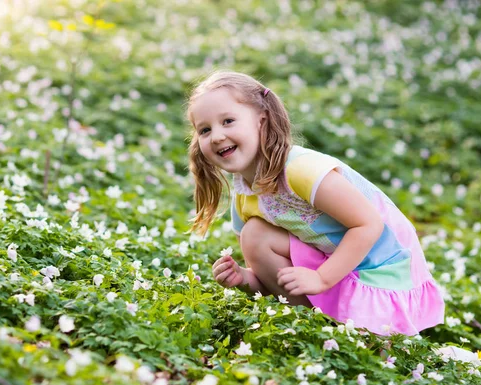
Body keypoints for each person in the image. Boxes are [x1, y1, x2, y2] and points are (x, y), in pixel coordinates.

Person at [185, 70, 445, 336]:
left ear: (261, 121)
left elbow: (368, 225)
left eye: (228, 121)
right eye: (205, 130)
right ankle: (314, 326)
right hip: (332, 264)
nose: (216, 136)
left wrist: (321, 278)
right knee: (253, 235)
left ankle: (355, 327)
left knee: (372, 352)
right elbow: (271, 279)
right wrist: (243, 279)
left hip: (382, 267)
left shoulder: (301, 170)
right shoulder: (243, 196)